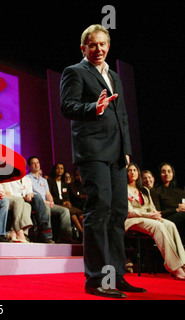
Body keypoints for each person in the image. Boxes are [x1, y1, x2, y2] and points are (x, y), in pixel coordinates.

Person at [60, 24, 145, 298]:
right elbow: (67, 106)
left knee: (118, 213)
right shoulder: (75, 72)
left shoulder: (115, 77)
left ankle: (116, 275)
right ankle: (96, 279)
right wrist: (93, 108)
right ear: (83, 47)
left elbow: (123, 118)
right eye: (92, 45)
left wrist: (127, 150)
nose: (98, 49)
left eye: (103, 44)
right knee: (99, 211)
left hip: (118, 154)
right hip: (93, 153)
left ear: (109, 46)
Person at [126, 163, 185, 279]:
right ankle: (173, 266)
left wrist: (155, 214)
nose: (132, 172)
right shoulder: (123, 189)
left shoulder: (143, 190)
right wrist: (149, 215)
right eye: (129, 170)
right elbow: (129, 212)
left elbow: (152, 207)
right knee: (157, 226)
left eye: (135, 170)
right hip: (132, 219)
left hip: (146, 217)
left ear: (138, 173)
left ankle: (182, 263)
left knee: (170, 224)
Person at [26, 156, 73, 243]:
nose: (36, 165)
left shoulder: (43, 180)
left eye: (38, 162)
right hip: (37, 203)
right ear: (29, 166)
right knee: (46, 208)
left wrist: (51, 201)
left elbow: (48, 193)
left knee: (65, 211)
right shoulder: (27, 178)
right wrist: (46, 203)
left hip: (47, 202)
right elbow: (32, 195)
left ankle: (65, 236)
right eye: (33, 163)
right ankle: (47, 237)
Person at [2, 177, 53, 243]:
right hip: (15, 200)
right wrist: (24, 197)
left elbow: (29, 191)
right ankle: (20, 231)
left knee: (36, 197)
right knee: (26, 205)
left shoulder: (27, 179)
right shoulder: (9, 178)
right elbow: (10, 194)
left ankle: (42, 225)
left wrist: (29, 195)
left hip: (26, 200)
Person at [150, 163, 185, 243]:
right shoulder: (155, 191)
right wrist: (176, 210)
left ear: (173, 173)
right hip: (166, 220)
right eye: (163, 172)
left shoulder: (180, 191)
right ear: (159, 174)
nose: (167, 174)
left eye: (169, 171)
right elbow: (157, 213)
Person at [49, 163, 84, 238]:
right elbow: (50, 196)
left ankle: (83, 233)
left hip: (66, 205)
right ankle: (81, 233)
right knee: (74, 212)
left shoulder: (65, 184)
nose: (60, 170)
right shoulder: (50, 182)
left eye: (62, 168)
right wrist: (62, 202)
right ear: (55, 170)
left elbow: (66, 196)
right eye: (58, 168)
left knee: (77, 213)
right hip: (56, 204)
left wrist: (67, 202)